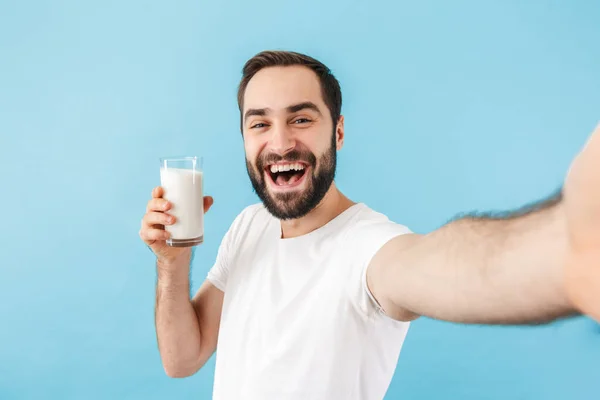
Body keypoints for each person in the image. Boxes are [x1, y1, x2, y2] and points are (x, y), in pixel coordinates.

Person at [139, 50, 600, 400]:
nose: (280, 142)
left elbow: (438, 265)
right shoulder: (248, 226)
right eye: (260, 124)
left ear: (337, 131)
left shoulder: (369, 248)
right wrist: (173, 263)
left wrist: (567, 255)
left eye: (301, 118)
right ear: (244, 137)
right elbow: (183, 358)